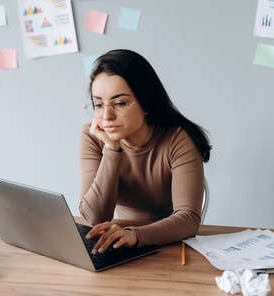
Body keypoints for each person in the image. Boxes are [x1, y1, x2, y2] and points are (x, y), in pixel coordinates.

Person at [79, 49, 211, 255]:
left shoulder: (178, 140)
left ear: (146, 102)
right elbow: (92, 219)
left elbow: (189, 219)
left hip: (171, 243)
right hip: (118, 240)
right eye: (98, 104)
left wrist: (136, 234)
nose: (106, 115)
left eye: (120, 103)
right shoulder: (93, 136)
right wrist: (112, 149)